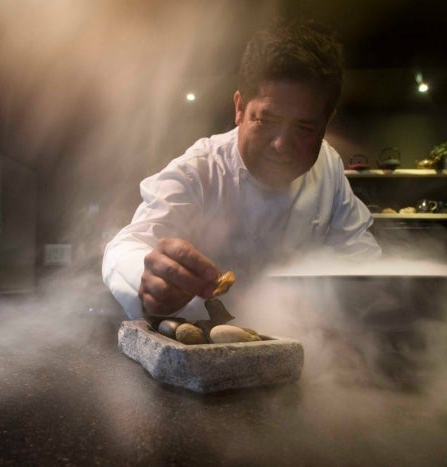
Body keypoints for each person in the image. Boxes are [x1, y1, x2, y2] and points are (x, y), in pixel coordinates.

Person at [102, 19, 381, 320]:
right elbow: (124, 247)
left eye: (304, 127)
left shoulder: (328, 167)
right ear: (239, 108)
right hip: (205, 350)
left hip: (304, 344)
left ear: (326, 122)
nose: (281, 145)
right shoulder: (198, 170)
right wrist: (148, 276)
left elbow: (359, 253)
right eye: (265, 121)